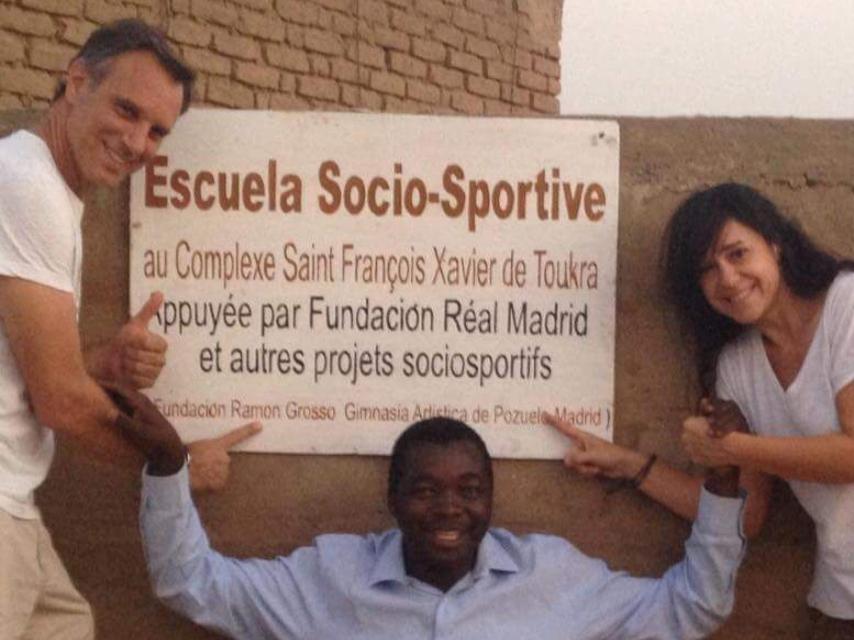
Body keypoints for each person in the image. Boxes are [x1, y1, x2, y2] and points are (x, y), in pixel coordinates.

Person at [119, 380, 746, 640]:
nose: (450, 509)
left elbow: (692, 607)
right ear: (392, 500)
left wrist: (722, 481)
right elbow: (191, 584)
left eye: (470, 490)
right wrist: (169, 466)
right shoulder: (328, 579)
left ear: (490, 499)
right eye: (425, 491)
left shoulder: (552, 577)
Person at [0, 19, 257, 639]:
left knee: (69, 625)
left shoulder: (42, 186)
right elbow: (61, 402)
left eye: (157, 130)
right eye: (126, 109)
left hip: (15, 507)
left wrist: (100, 365)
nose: (137, 141)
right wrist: (173, 466)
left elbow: (27, 372)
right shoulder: (27, 186)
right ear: (76, 81)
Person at [551, 183, 854, 639]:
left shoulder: (846, 304)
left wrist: (734, 448)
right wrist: (629, 464)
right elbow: (745, 515)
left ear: (774, 243)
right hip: (841, 597)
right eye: (707, 269)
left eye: (737, 254)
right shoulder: (738, 365)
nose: (727, 278)